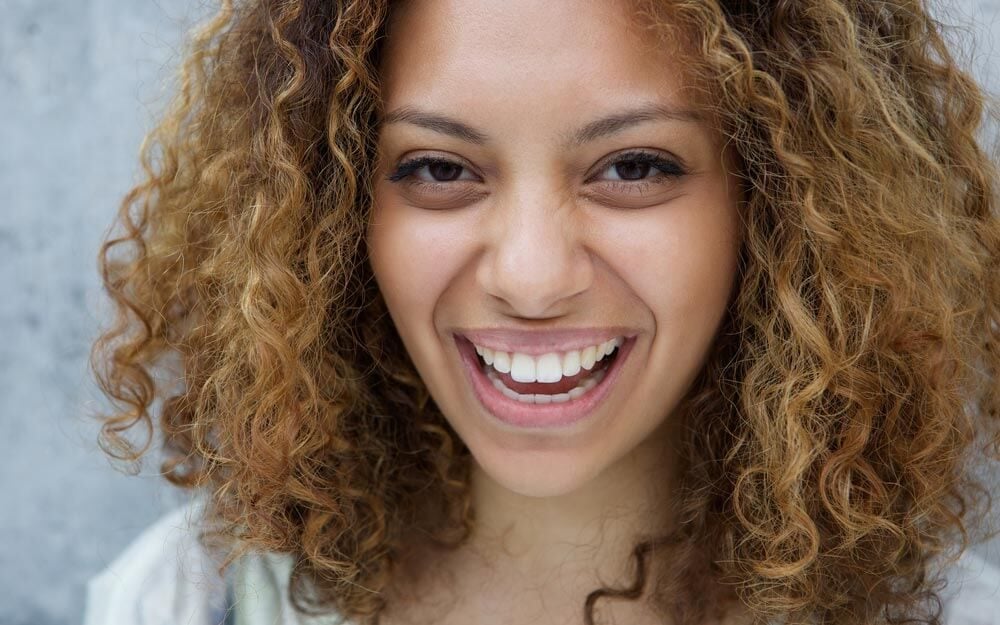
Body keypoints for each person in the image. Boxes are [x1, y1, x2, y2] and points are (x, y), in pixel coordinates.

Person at [84, 1, 1000, 624]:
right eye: (438, 169)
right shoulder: (184, 598)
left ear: (782, 204)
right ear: (330, 213)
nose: (529, 278)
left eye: (635, 166)